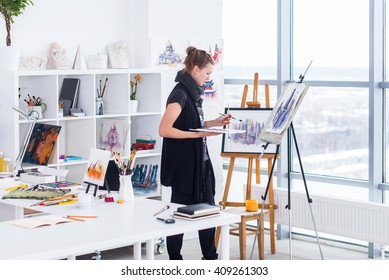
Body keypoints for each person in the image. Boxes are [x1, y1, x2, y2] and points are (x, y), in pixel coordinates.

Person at [159, 46, 231, 260]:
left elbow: (192, 124)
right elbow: (165, 129)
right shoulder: (180, 94)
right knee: (179, 215)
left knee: (209, 213)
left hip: (201, 166)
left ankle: (210, 259)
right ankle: (175, 261)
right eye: (207, 73)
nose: (209, 78)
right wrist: (198, 136)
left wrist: (213, 123)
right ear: (196, 69)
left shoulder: (193, 94)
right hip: (184, 169)